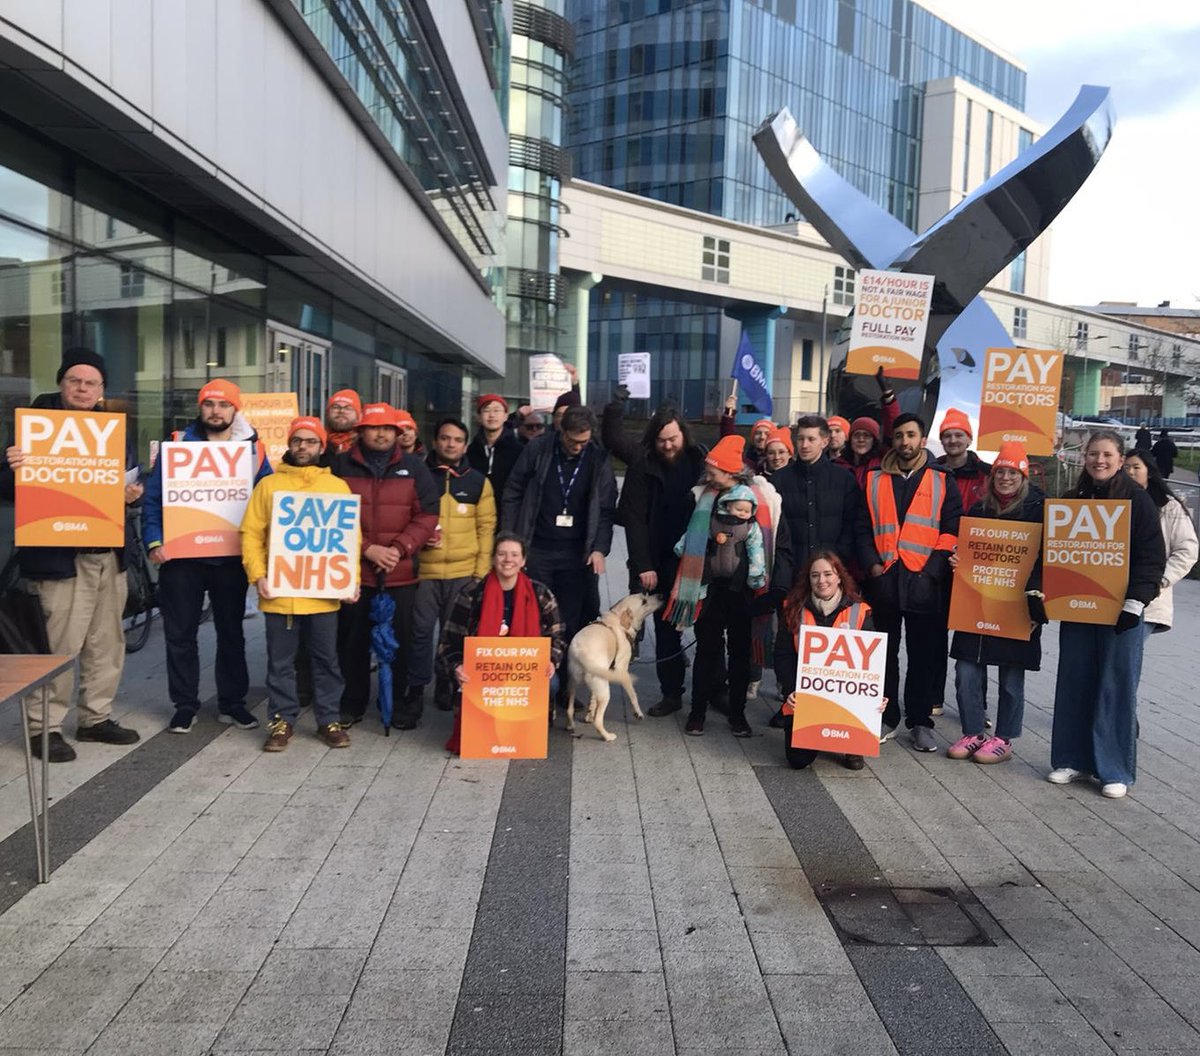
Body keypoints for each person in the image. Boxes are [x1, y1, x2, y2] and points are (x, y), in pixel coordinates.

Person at [0, 348, 142, 762]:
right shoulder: (33, 428)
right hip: (59, 557)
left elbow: (125, 481)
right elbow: (7, 491)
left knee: (106, 643)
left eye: (91, 382)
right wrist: (11, 469)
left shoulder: (112, 430)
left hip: (108, 553)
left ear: (101, 390)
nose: (82, 388)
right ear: (62, 384)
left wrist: (132, 493)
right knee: (57, 646)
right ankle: (43, 728)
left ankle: (95, 718)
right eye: (75, 380)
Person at [143, 379, 272, 734]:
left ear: (235, 409)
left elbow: (268, 499)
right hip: (182, 557)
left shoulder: (254, 450)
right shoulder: (178, 445)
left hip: (230, 557)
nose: (216, 410)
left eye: (224, 404)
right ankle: (185, 705)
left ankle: (233, 702)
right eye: (209, 404)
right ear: (200, 408)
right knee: (179, 634)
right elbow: (154, 499)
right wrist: (154, 541)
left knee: (232, 633)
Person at [1049, 430, 1166, 799]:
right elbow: (1051, 552)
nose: (1099, 460)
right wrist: (1043, 592)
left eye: (1107, 455)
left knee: (1115, 686)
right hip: (1080, 606)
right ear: (1084, 457)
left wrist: (1136, 602)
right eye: (1093, 454)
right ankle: (1072, 759)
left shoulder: (1138, 501)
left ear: (1120, 459)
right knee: (1074, 680)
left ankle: (1114, 768)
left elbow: (1152, 557)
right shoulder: (1071, 501)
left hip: (1122, 610)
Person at [240, 417, 354, 752]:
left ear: (322, 447)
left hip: (322, 595)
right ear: (289, 445)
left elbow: (349, 540)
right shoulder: (269, 486)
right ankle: (281, 721)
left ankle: (328, 720)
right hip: (281, 593)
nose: (302, 447)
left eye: (310, 441)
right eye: (297, 441)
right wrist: (257, 575)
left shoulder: (337, 488)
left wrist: (351, 582)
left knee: (326, 661)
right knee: (280, 662)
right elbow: (251, 534)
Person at [665, 435, 791, 737]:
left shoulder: (763, 499)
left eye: (715, 472)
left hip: (745, 593)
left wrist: (771, 586)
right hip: (707, 590)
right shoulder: (699, 498)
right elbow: (686, 539)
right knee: (707, 652)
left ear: (732, 473)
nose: (709, 476)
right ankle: (697, 712)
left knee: (740, 655)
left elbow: (774, 541)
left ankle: (737, 714)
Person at [501, 404, 617, 713]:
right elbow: (513, 490)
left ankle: (564, 692)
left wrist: (599, 548)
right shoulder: (539, 449)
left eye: (584, 442)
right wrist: (513, 541)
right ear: (560, 430)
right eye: (572, 441)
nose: (578, 447)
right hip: (536, 548)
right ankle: (528, 686)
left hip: (576, 556)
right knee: (531, 618)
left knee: (569, 624)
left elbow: (605, 510)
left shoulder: (597, 458)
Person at [331, 403, 439, 729]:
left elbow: (428, 514)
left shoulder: (414, 467)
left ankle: (402, 704)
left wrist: (399, 547)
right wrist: (366, 549)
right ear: (360, 431)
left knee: (402, 642)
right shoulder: (338, 466)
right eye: (374, 428)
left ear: (397, 433)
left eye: (388, 428)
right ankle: (352, 703)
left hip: (401, 573)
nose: (381, 434)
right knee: (352, 643)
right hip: (354, 573)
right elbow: (330, 515)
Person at [603, 390, 707, 717]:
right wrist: (643, 566)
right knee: (665, 630)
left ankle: (711, 690)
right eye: (662, 440)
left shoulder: (696, 458)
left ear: (683, 434)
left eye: (673, 439)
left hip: (693, 557)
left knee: (705, 628)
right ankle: (672, 693)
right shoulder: (642, 462)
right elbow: (633, 519)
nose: (668, 446)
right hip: (654, 557)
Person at [863, 413, 962, 751]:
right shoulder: (873, 478)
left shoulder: (942, 479)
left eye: (911, 435)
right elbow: (862, 527)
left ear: (922, 439)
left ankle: (920, 721)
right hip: (886, 578)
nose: (904, 442)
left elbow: (951, 529)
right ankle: (886, 717)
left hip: (925, 581)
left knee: (923, 656)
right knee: (884, 654)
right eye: (899, 436)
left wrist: (932, 572)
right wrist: (873, 567)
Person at [768, 415, 877, 722]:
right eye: (800, 439)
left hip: (831, 577)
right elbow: (776, 530)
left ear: (826, 441)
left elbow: (853, 523)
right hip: (793, 572)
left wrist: (835, 564)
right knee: (791, 640)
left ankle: (831, 706)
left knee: (829, 642)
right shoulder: (780, 481)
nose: (804, 445)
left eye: (811, 439)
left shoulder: (843, 480)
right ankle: (790, 701)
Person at [946, 443, 1044, 764]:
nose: (1004, 477)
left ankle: (1004, 738)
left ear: (1023, 476)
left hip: (1017, 606)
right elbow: (967, 552)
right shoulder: (976, 511)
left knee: (1011, 676)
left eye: (1012, 472)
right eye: (1000, 471)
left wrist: (1038, 600)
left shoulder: (1040, 510)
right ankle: (974, 731)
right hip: (977, 604)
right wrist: (958, 561)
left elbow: (1047, 559)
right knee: (966, 669)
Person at [436, 532, 567, 754]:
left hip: (524, 672)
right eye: (502, 554)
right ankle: (483, 727)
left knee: (552, 683)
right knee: (464, 680)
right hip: (484, 673)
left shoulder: (540, 593)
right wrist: (457, 666)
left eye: (515, 554)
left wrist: (552, 660)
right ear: (493, 558)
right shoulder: (471, 594)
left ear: (523, 561)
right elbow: (448, 642)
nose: (508, 560)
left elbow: (558, 634)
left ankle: (532, 723)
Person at [411, 417, 496, 714]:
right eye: (445, 438)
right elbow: (407, 518)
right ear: (436, 441)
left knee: (455, 637)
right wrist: (418, 542)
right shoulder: (418, 476)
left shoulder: (477, 480)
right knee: (419, 633)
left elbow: (487, 528)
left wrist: (481, 572)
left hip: (463, 573)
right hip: (425, 572)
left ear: (464, 445)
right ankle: (416, 688)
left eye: (457, 440)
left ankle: (448, 684)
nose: (450, 444)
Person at [780, 551, 879, 771]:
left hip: (847, 702)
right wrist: (790, 691)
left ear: (839, 577)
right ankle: (819, 737)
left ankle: (851, 745)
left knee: (854, 762)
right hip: (805, 699)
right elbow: (783, 656)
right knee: (798, 761)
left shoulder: (861, 612)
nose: (821, 581)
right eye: (815, 575)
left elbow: (873, 663)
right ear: (808, 579)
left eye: (828, 574)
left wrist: (876, 699)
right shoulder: (792, 609)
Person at [930, 408, 991, 718]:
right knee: (936, 634)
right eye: (948, 435)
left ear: (969, 438)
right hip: (942, 562)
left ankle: (977, 703)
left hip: (977, 566)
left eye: (959, 434)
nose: (953, 440)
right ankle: (934, 697)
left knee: (975, 637)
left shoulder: (988, 473)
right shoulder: (934, 470)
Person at [1123, 449, 1197, 635]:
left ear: (1149, 471)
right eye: (1126, 467)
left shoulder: (1168, 507)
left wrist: (1156, 581)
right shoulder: (1113, 503)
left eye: (1136, 467)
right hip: (1112, 599)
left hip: (1148, 601)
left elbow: (1186, 551)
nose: (1130, 472)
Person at [466, 393, 523, 510]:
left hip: (509, 512)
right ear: (478, 416)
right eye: (486, 411)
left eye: (497, 411)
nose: (492, 415)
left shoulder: (519, 450)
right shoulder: (470, 451)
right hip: (477, 510)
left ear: (506, 416)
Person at [719, 395, 774, 472]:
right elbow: (729, 441)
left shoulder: (778, 462)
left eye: (767, 434)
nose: (762, 437)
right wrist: (729, 414)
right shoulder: (746, 463)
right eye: (758, 433)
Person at [322, 389, 362, 461]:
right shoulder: (317, 442)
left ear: (358, 416)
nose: (341, 411)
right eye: (336, 407)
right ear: (327, 413)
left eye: (348, 408)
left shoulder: (365, 445)